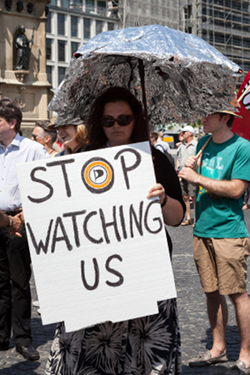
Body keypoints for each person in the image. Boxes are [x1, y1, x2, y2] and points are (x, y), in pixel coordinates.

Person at [45, 87, 185, 375]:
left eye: (124, 119)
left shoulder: (155, 160)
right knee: (92, 356)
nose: (117, 126)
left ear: (136, 120)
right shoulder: (82, 157)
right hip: (95, 278)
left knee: (144, 357)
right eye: (108, 121)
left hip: (146, 274)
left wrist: (163, 199)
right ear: (99, 123)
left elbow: (177, 217)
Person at [179, 110, 250, 375]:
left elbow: (236, 190)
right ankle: (218, 349)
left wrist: (197, 178)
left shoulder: (242, 148)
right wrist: (192, 168)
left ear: (225, 118)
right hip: (202, 229)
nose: (202, 120)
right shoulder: (202, 143)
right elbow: (198, 180)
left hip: (229, 232)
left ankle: (246, 354)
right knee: (211, 291)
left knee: (236, 293)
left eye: (209, 116)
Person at [0, 97, 49, 360]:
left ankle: (22, 338)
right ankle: (1, 335)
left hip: (19, 224)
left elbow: (47, 187)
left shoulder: (33, 150)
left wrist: (26, 214)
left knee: (19, 282)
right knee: (0, 283)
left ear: (12, 122)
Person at [178, 125, 197, 227]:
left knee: (193, 197)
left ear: (190, 133)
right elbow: (179, 158)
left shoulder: (196, 145)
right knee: (184, 196)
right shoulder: (182, 146)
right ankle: (188, 218)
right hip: (182, 174)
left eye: (183, 132)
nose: (181, 134)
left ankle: (196, 219)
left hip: (191, 174)